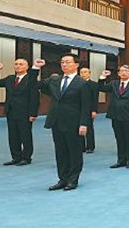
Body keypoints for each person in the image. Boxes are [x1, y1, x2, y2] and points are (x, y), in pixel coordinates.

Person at [35, 55, 91, 191]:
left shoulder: (82, 83)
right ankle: (62, 179)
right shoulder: (54, 79)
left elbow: (86, 106)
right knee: (60, 152)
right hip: (56, 121)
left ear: (76, 65)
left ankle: (73, 180)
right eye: (62, 62)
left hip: (74, 122)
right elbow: (34, 85)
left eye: (68, 62)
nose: (64, 64)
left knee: (74, 152)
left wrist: (84, 124)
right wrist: (35, 68)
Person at [0, 58, 40, 166]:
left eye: (21, 64)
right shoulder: (10, 79)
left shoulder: (30, 79)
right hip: (11, 111)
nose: (18, 66)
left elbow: (35, 98)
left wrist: (33, 113)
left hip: (25, 112)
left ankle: (26, 158)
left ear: (27, 67)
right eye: (16, 64)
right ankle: (16, 157)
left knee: (25, 136)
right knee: (13, 136)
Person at [97, 64, 129, 169]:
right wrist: (102, 77)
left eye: (126, 71)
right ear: (118, 73)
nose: (124, 73)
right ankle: (121, 160)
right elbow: (101, 88)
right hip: (115, 115)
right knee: (119, 138)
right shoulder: (114, 84)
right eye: (121, 71)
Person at [79, 67, 99, 154]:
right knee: (78, 127)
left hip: (89, 109)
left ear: (89, 74)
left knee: (89, 128)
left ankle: (90, 146)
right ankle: (81, 146)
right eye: (81, 72)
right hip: (78, 109)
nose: (83, 74)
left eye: (85, 72)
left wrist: (94, 110)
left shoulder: (93, 84)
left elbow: (95, 98)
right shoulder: (77, 83)